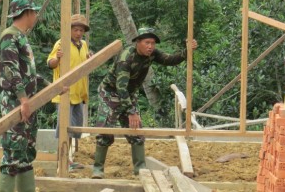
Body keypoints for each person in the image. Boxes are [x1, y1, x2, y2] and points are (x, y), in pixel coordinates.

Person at [92, 27, 198, 179]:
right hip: (111, 93)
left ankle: (140, 169)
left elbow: (171, 60)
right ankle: (98, 169)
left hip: (129, 93)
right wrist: (131, 112)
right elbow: (121, 88)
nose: (151, 46)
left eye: (153, 43)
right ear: (138, 42)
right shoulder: (126, 58)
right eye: (147, 42)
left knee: (137, 131)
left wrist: (187, 50)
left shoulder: (152, 54)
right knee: (105, 130)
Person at [0, 0, 52, 192]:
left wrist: (50, 86)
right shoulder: (9, 37)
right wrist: (22, 99)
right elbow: (11, 71)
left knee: (26, 151)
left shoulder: (21, 37)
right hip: (15, 103)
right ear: (26, 13)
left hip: (26, 102)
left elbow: (28, 72)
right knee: (13, 151)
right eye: (34, 12)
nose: (36, 16)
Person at [48, 13, 91, 170]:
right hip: (65, 93)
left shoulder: (84, 45)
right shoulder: (61, 43)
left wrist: (90, 58)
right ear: (69, 30)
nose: (78, 33)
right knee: (64, 129)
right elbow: (50, 63)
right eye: (76, 30)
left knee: (74, 129)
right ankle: (62, 161)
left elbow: (85, 63)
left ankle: (69, 159)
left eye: (81, 30)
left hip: (78, 94)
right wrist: (58, 59)